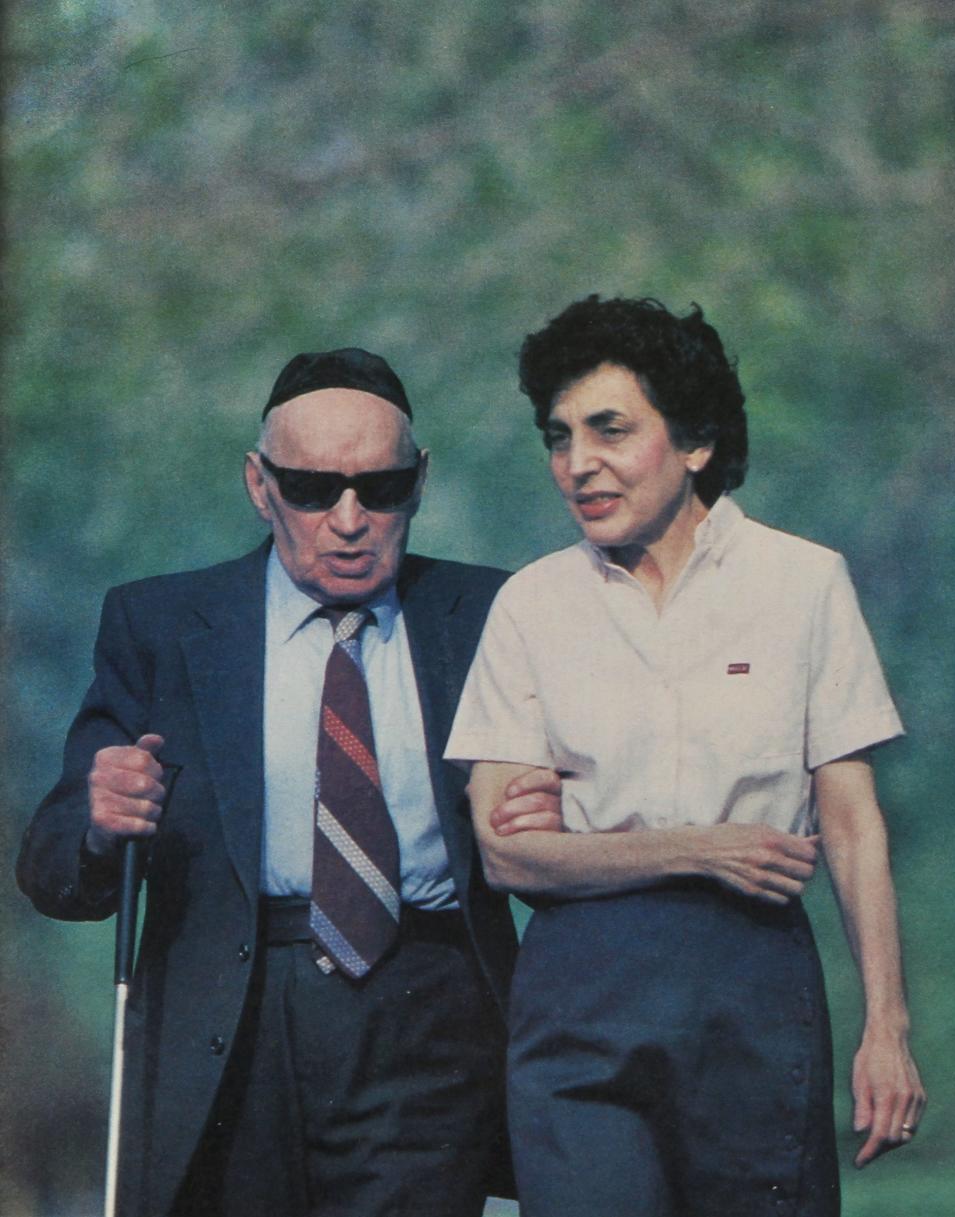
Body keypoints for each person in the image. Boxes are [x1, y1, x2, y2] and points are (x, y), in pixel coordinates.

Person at [17, 347, 562, 1217]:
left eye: (379, 489)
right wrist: (96, 818)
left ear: (419, 482)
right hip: (233, 1020)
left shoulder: (495, 614)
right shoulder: (161, 622)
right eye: (311, 489)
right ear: (258, 484)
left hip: (428, 1015)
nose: (348, 518)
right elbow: (51, 869)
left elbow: (582, 800)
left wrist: (557, 811)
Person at [445, 296, 926, 1217]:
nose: (578, 463)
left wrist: (887, 1027)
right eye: (559, 437)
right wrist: (702, 847)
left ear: (696, 441)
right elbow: (508, 852)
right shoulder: (530, 607)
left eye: (610, 430)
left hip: (752, 989)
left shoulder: (803, 583)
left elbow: (853, 825)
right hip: (578, 1003)